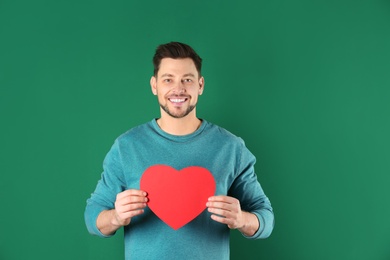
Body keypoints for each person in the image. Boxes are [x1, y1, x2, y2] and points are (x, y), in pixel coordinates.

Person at [85, 41, 274, 259]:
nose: (178, 88)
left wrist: (242, 219)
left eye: (187, 80)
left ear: (200, 85)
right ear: (154, 85)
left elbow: (265, 218)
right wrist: (116, 217)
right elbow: (92, 215)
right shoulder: (126, 147)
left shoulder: (231, 147)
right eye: (168, 80)